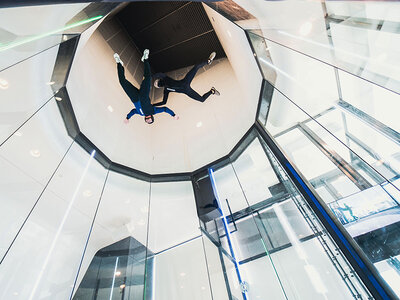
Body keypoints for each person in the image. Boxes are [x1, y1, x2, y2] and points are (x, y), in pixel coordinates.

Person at [114, 49, 179, 124]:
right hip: (144, 95)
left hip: (134, 97)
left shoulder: (141, 113)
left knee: (122, 82)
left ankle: (119, 63)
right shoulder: (153, 111)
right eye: (150, 121)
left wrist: (127, 117)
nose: (148, 121)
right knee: (148, 78)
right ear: (152, 117)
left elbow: (133, 111)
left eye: (147, 122)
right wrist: (173, 115)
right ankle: (145, 59)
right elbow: (165, 109)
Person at [153, 52, 220, 106]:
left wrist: (150, 77)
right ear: (159, 86)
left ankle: (208, 61)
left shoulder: (165, 80)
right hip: (187, 90)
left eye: (158, 83)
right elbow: (164, 102)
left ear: (160, 80)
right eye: (158, 84)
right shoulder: (166, 90)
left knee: (196, 67)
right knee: (202, 100)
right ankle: (212, 91)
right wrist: (153, 105)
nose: (159, 83)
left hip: (185, 82)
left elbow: (160, 74)